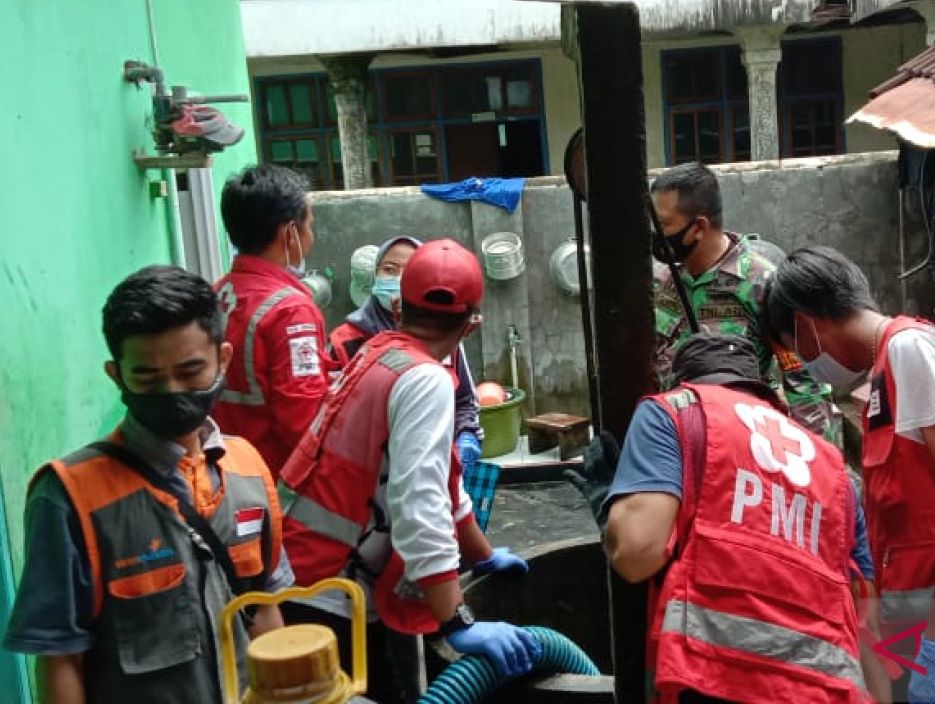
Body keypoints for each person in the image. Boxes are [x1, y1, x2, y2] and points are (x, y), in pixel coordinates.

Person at [764, 246, 935, 704]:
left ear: (804, 324)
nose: (805, 363)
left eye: (796, 350)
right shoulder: (888, 371)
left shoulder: (909, 352)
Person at [3, 265, 292, 704]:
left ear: (224, 360)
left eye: (191, 371)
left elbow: (264, 608)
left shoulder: (248, 468)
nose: (173, 391)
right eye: (148, 378)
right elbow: (60, 658)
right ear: (116, 375)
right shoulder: (69, 495)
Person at [279, 239, 539, 702]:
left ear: (399, 308)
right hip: (331, 595)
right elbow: (422, 503)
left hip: (307, 576)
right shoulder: (424, 380)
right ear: (473, 323)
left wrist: (479, 553)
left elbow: (441, 479)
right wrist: (455, 620)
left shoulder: (379, 352)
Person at [599, 333, 876, 704]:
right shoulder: (833, 466)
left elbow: (637, 555)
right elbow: (867, 609)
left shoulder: (674, 411)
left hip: (714, 678)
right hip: (824, 689)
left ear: (686, 381)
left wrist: (610, 510)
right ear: (759, 388)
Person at [649, 162, 838, 445]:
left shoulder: (763, 285)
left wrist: (820, 466)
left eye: (663, 225)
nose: (655, 234)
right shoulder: (661, 283)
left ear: (699, 226)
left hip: (745, 445)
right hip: (674, 440)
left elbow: (804, 381)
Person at [329, 235, 484, 468]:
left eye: (408, 271)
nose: (398, 279)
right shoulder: (349, 343)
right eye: (389, 269)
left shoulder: (446, 340)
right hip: (366, 471)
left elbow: (464, 401)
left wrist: (466, 436)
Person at [212, 164, 328, 476]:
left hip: (220, 471)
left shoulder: (215, 294)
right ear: (290, 232)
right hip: (270, 481)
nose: (311, 234)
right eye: (309, 225)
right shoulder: (290, 312)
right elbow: (302, 422)